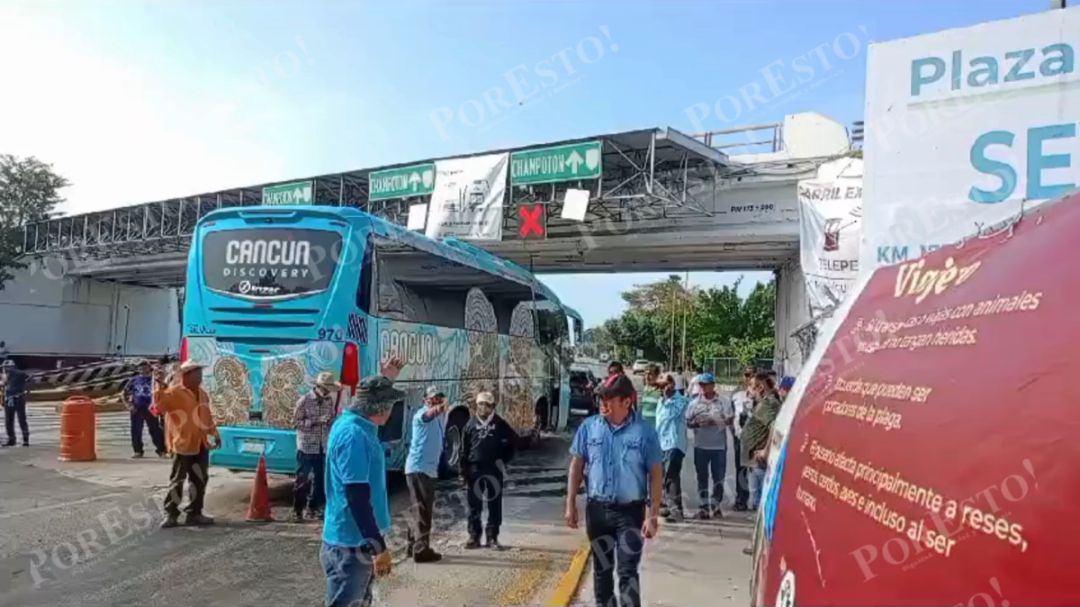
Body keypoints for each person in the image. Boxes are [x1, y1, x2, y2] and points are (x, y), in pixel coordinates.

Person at [566, 373, 662, 607]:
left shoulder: (644, 432)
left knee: (628, 573)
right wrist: (570, 504)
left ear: (626, 402)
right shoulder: (589, 428)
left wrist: (653, 515)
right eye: (601, 398)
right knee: (602, 570)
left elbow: (656, 474)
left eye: (609, 398)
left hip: (630, 514)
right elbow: (576, 465)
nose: (602, 403)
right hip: (597, 510)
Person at [322, 358, 404, 607]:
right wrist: (378, 546)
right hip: (350, 546)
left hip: (356, 541)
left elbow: (372, 403)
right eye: (390, 404)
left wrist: (386, 378)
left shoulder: (359, 424)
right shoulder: (354, 436)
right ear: (380, 409)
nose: (392, 411)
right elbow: (356, 497)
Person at [154, 360, 221, 528]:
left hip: (200, 443)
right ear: (186, 376)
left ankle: (195, 512)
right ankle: (171, 513)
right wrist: (159, 387)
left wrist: (214, 432)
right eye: (196, 374)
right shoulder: (174, 392)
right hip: (182, 444)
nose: (200, 377)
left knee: (199, 479)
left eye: (200, 373)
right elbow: (159, 407)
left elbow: (207, 416)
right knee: (178, 480)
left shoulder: (202, 393)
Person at [461, 390, 518, 550]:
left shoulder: (500, 424)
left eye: (486, 405)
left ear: (492, 406)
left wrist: (503, 460)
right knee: (474, 504)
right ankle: (474, 536)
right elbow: (464, 449)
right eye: (479, 404)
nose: (482, 408)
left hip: (494, 470)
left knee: (494, 504)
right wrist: (463, 471)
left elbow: (512, 443)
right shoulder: (470, 424)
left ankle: (492, 537)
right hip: (474, 469)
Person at [404, 386, 448, 562]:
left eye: (438, 398)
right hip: (419, 468)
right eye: (431, 399)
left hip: (427, 468)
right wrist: (439, 408)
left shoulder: (438, 418)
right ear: (425, 401)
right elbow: (428, 415)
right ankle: (421, 550)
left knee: (419, 507)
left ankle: (412, 545)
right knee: (423, 509)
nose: (435, 401)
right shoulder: (421, 415)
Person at [291, 371, 341, 522]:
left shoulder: (328, 401)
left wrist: (330, 422)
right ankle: (297, 510)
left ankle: (313, 508)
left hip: (322, 445)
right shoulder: (304, 401)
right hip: (306, 446)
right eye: (325, 388)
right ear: (318, 386)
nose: (327, 392)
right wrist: (315, 421)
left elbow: (331, 418)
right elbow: (295, 422)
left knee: (319, 480)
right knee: (302, 479)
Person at [685, 372, 734, 520]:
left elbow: (730, 419)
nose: (704, 387)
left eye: (706, 384)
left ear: (713, 385)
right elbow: (688, 421)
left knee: (718, 478)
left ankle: (716, 505)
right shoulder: (694, 403)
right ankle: (704, 508)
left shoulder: (723, 401)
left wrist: (713, 421)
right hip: (701, 446)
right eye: (701, 385)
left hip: (718, 447)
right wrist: (696, 423)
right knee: (702, 478)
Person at [742, 372, 782, 514]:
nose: (748, 389)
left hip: (760, 460)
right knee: (757, 499)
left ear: (760, 388)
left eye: (751, 386)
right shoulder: (762, 403)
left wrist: (766, 450)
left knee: (761, 500)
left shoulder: (768, 404)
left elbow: (774, 426)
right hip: (754, 460)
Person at [654, 372, 689, 523]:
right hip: (661, 443)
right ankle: (671, 506)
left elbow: (673, 415)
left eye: (666, 385)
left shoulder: (681, 401)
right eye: (661, 386)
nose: (663, 388)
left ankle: (676, 511)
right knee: (666, 477)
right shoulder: (660, 401)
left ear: (673, 385)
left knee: (670, 476)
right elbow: (659, 423)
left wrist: (667, 398)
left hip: (674, 443)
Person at [125, 361, 166, 458]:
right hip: (137, 409)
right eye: (140, 367)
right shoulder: (133, 380)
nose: (143, 369)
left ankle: (161, 450)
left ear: (149, 368)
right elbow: (124, 393)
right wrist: (129, 405)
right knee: (136, 430)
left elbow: (163, 391)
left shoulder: (154, 379)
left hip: (151, 408)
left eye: (145, 367)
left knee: (155, 429)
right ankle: (138, 451)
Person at [729, 366, 756, 511]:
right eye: (746, 375)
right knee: (740, 469)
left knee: (757, 469)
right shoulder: (736, 393)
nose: (748, 378)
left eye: (751, 375)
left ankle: (758, 500)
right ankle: (741, 499)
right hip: (740, 436)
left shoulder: (759, 393)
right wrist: (734, 431)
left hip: (756, 437)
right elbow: (732, 414)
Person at [2, 360, 29, 447]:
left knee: (14, 420)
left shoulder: (18, 374)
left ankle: (14, 439)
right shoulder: (8, 375)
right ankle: (22, 439)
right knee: (16, 420)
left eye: (7, 367)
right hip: (12, 398)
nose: (6, 369)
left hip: (16, 398)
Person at [638, 364, 661, 429]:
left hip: (655, 428)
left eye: (650, 374)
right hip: (644, 427)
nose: (647, 377)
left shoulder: (660, 391)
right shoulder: (645, 389)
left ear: (656, 376)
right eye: (645, 374)